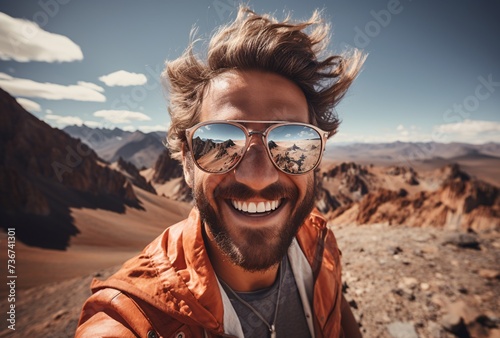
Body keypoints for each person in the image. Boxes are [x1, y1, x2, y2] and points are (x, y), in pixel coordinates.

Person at [76, 6, 365, 338]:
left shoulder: (318, 244)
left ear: (319, 157)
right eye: (220, 142)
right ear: (186, 162)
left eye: (291, 141)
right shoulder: (135, 317)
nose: (257, 177)